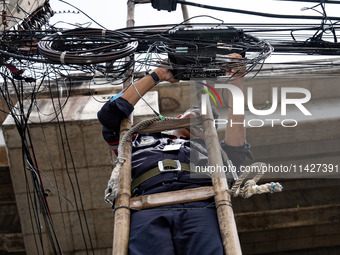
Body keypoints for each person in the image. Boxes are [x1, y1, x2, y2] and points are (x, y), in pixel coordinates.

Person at [97, 53, 252, 255]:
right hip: (147, 204)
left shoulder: (211, 152)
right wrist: (158, 74)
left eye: (209, 123)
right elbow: (109, 115)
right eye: (195, 113)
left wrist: (236, 83)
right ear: (179, 118)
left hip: (201, 206)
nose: (203, 121)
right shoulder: (136, 141)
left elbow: (237, 147)